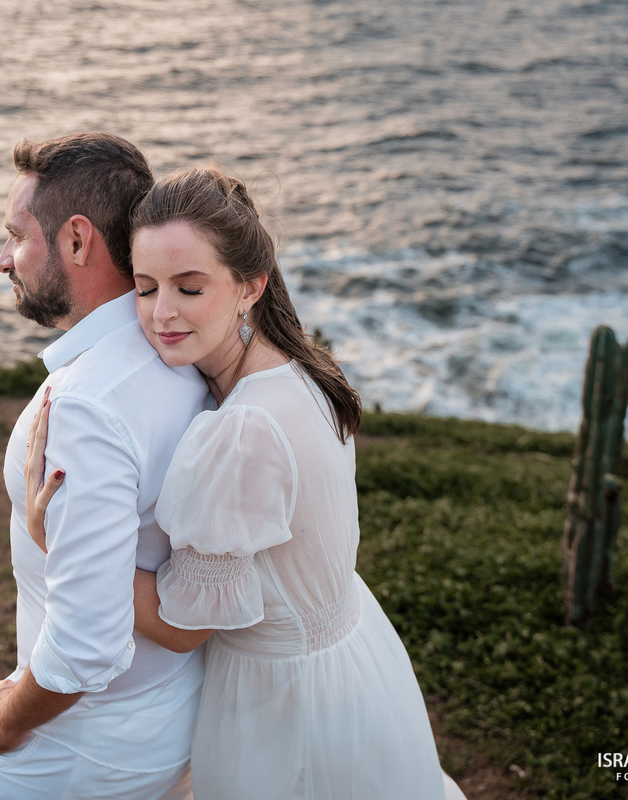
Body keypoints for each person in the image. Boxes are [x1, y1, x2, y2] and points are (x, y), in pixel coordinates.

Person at [25, 165, 467, 799]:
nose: (163, 313)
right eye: (146, 289)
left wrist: (63, 540)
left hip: (284, 699)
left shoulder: (243, 431)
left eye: (191, 287)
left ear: (250, 285)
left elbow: (185, 629)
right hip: (353, 657)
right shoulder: (299, 370)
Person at [0, 133, 209, 800]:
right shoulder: (184, 360)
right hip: (163, 712)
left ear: (77, 241)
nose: (4, 260)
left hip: (76, 742)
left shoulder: (90, 402)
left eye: (17, 236)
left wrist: (7, 719)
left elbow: (88, 643)